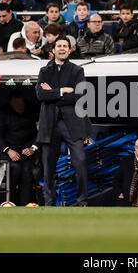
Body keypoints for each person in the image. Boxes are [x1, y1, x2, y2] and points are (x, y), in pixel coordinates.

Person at [35, 36, 92, 206]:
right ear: (53, 50)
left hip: (72, 125)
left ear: (70, 49)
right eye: (58, 46)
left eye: (65, 46)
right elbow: (40, 95)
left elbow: (80, 95)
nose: (62, 49)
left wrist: (52, 94)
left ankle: (82, 201)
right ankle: (49, 203)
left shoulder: (77, 70)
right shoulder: (44, 71)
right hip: (50, 125)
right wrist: (62, 91)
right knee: (48, 168)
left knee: (80, 162)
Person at [0, 89, 39, 206]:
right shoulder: (3, 113)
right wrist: (8, 150)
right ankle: (10, 202)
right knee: (15, 169)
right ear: (11, 103)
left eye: (22, 104)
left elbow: (41, 132)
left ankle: (25, 204)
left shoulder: (32, 110)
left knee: (27, 171)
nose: (20, 106)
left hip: (27, 150)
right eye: (17, 104)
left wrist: (33, 148)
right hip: (9, 150)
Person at [113, 137, 138, 206]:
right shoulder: (126, 161)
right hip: (125, 201)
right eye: (137, 147)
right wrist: (120, 193)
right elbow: (116, 180)